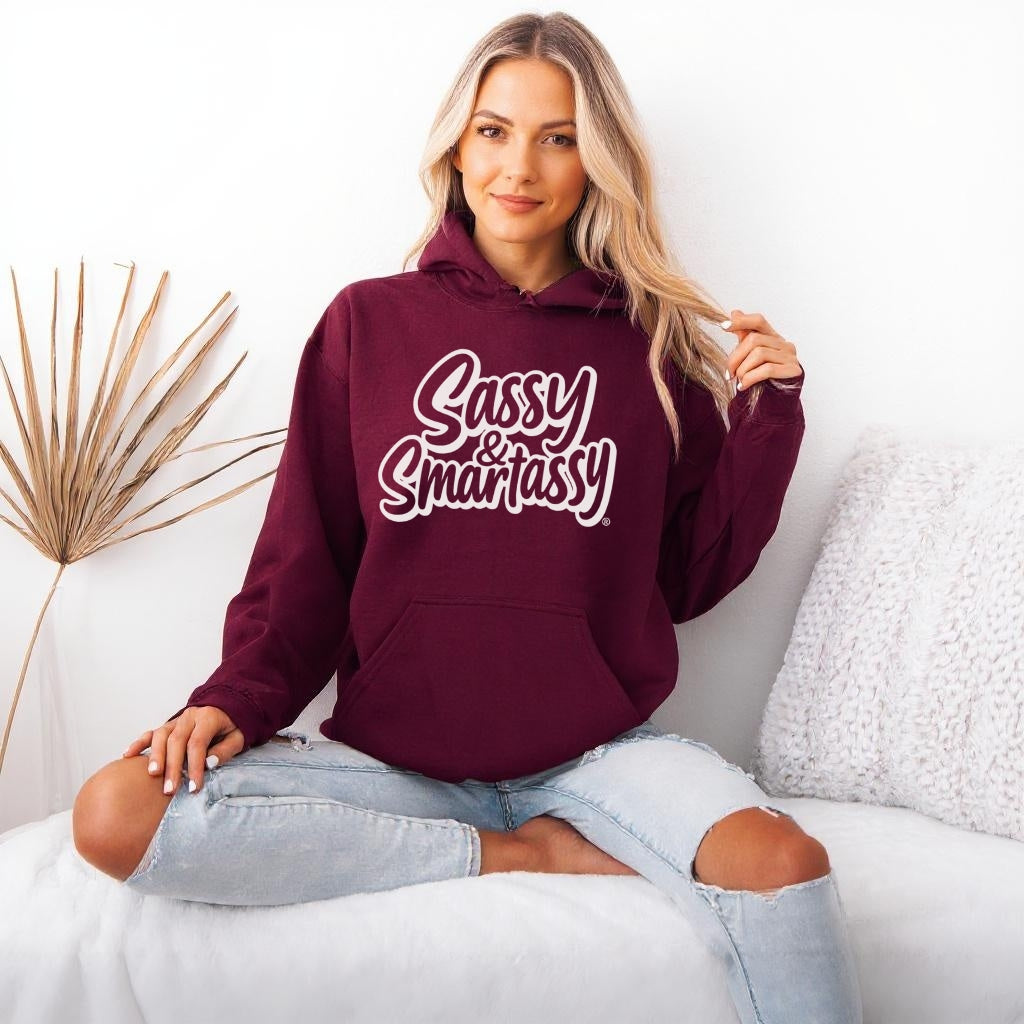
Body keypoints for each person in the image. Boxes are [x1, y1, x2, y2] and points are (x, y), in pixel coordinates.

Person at [72, 11, 862, 1023]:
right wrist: (235, 696)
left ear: (597, 160)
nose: (516, 165)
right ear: (455, 144)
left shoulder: (648, 349)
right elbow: (306, 558)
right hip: (394, 766)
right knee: (116, 812)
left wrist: (768, 416)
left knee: (786, 862)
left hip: (596, 758)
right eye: (492, 130)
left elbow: (688, 578)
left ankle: (538, 830)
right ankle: (512, 854)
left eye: (557, 135)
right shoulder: (368, 322)